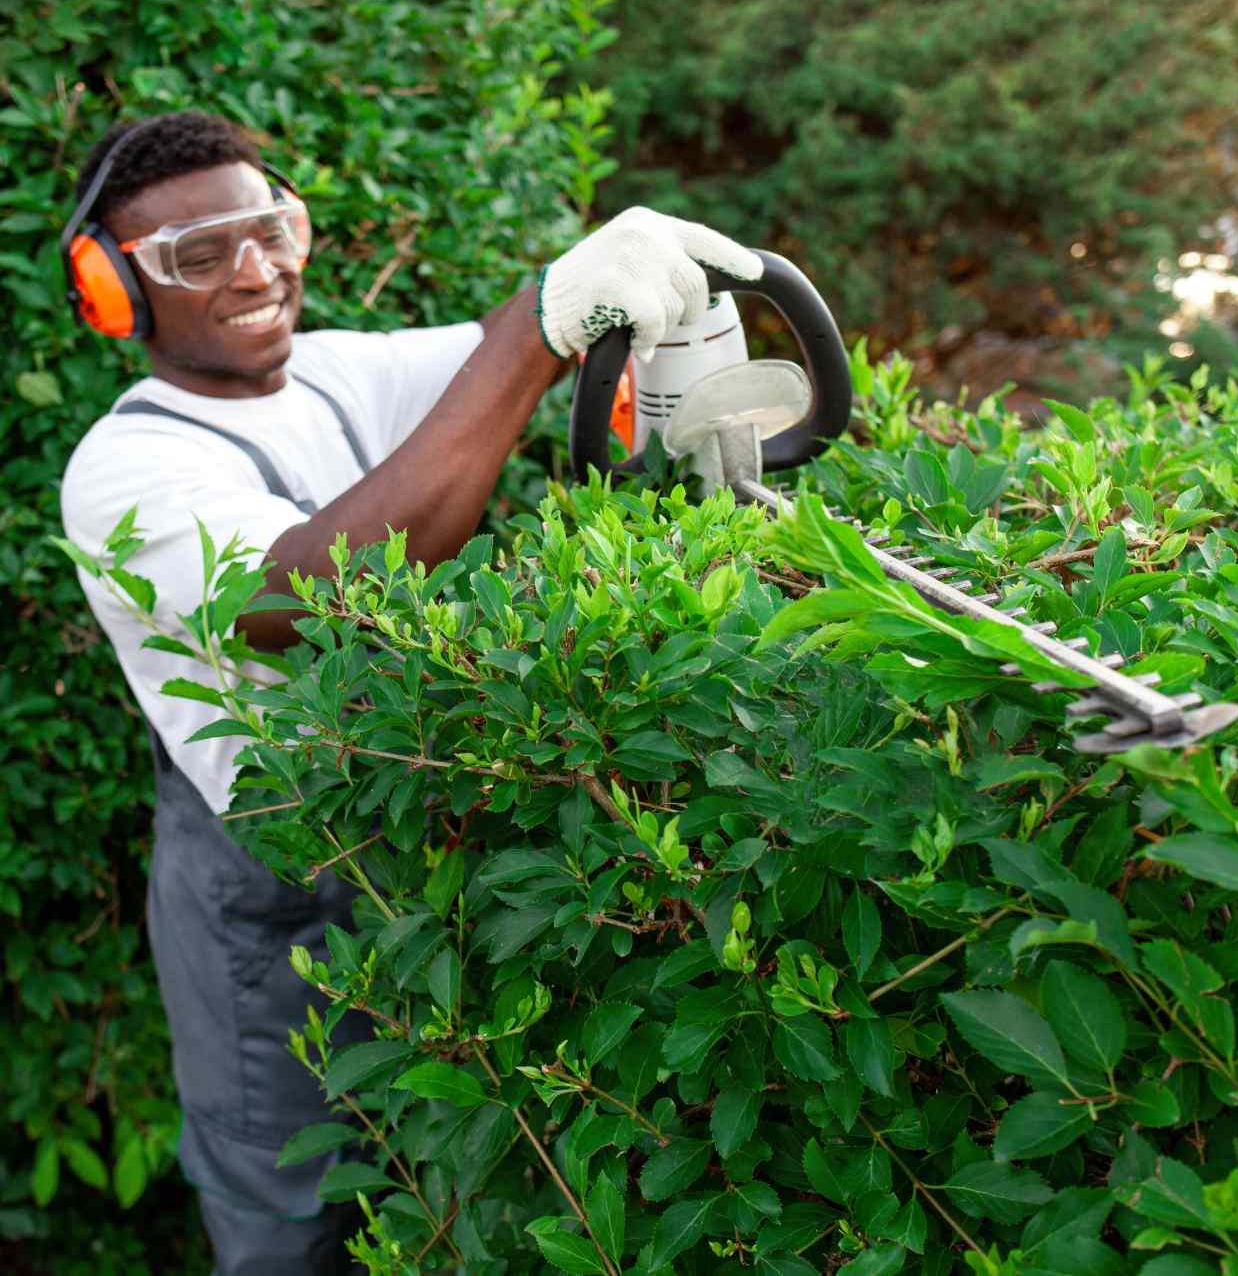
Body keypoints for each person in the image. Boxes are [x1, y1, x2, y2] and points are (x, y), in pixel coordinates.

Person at [56, 110, 758, 1273]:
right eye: (196, 252)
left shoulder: (335, 370)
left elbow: (495, 355)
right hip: (264, 893)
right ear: (109, 287)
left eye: (271, 227)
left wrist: (631, 309)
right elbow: (314, 590)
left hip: (410, 848)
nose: (255, 268)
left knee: (448, 1176)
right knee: (296, 1218)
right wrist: (538, 326)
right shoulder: (123, 471)